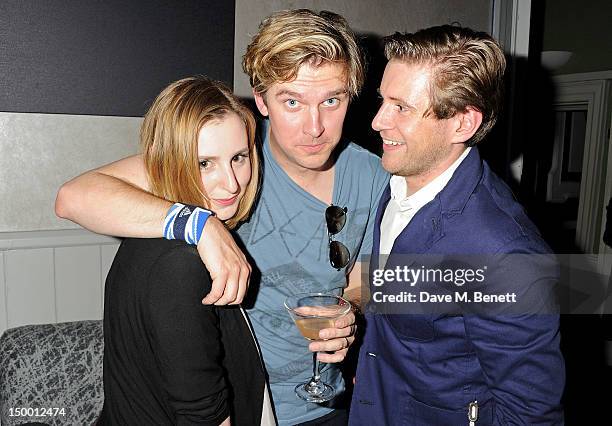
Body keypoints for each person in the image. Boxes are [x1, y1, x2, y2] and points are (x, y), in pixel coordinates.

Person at [56, 9, 389, 425]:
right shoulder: (231, 149)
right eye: (292, 101)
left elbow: (364, 277)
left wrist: (350, 312)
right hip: (242, 404)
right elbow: (74, 197)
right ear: (262, 98)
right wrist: (202, 225)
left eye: (331, 101)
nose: (314, 126)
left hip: (326, 404)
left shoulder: (374, 176)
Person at [349, 26, 565, 425]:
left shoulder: (503, 253)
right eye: (383, 100)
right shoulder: (398, 181)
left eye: (402, 107)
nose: (378, 121)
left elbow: (529, 413)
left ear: (463, 124)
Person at [96, 76, 274, 425]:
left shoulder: (156, 229)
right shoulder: (181, 263)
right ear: (169, 163)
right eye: (205, 163)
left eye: (238, 157)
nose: (232, 182)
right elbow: (203, 416)